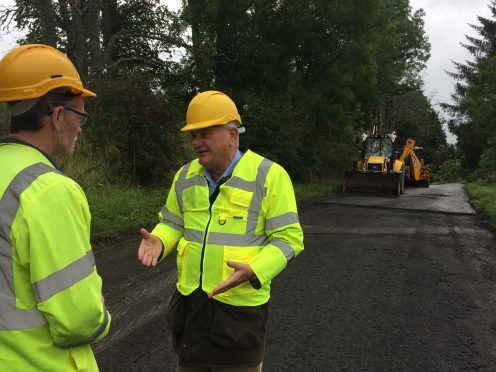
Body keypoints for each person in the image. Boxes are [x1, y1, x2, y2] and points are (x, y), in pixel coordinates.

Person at [138, 90, 304, 371]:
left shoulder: (269, 176)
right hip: (190, 311)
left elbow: (289, 238)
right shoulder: (185, 176)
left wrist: (255, 270)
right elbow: (173, 222)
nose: (197, 142)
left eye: (205, 133)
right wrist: (160, 240)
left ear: (233, 135)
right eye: (193, 135)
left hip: (238, 316)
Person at [0, 44, 111, 371]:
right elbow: (80, 321)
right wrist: (99, 314)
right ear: (59, 115)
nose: (80, 127)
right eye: (80, 116)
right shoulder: (48, 190)